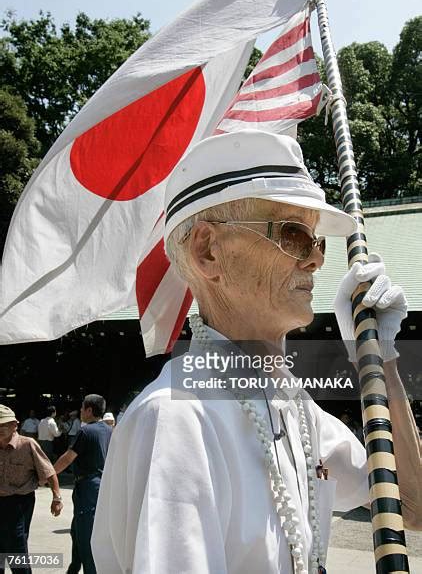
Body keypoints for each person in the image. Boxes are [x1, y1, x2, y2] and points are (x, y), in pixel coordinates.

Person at [91, 131, 422, 573]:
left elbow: (412, 507)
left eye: (317, 241)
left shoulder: (296, 411)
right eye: (293, 234)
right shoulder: (178, 419)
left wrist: (382, 358)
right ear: (208, 250)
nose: (316, 260)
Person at [0, 404, 63, 574]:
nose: (1, 429)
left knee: (16, 545)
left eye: (4, 425)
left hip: (19, 502)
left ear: (15, 425)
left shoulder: (27, 445)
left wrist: (56, 498)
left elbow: (49, 472)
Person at [54, 395, 112, 574]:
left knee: (85, 536)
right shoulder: (110, 430)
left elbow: (68, 458)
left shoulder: (86, 431)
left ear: (89, 410)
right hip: (101, 485)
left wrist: (47, 474)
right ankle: (73, 568)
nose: (79, 411)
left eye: (81, 408)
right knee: (77, 531)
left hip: (88, 487)